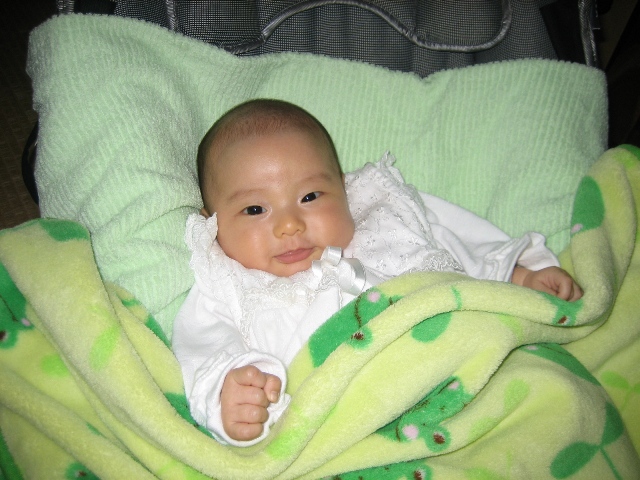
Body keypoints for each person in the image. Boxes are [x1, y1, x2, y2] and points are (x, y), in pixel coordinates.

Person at [172, 99, 583, 447]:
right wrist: (232, 395)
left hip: (464, 378)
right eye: (255, 209)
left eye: (310, 196)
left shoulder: (386, 218)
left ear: (344, 189)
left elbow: (454, 242)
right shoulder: (227, 284)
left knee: (550, 400)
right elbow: (203, 352)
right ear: (214, 224)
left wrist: (519, 275)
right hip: (347, 432)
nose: (290, 224)